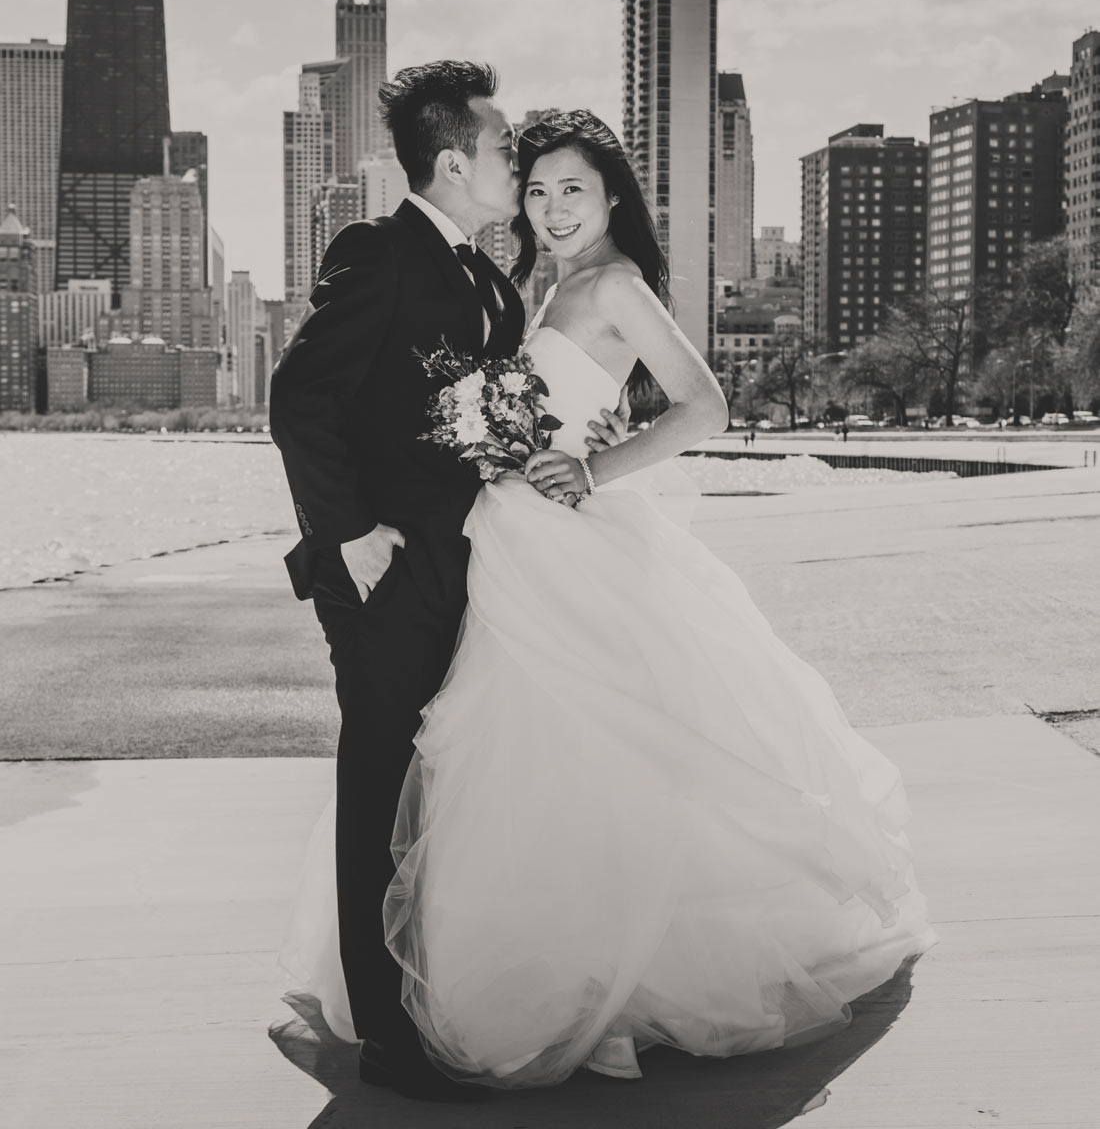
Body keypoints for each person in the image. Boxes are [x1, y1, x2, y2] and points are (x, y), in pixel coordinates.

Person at [285, 109, 935, 1091]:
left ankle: (607, 975)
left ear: (612, 197)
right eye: (536, 189)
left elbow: (701, 404)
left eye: (572, 190)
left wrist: (594, 469)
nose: (549, 208)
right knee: (496, 756)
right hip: (500, 543)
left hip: (564, 544)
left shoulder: (616, 282)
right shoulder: (531, 287)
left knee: (581, 750)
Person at [269, 61, 531, 1104]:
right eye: (506, 148)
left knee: (438, 787)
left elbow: (483, 414)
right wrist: (353, 538)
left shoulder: (491, 277)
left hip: (467, 563)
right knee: (377, 786)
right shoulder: (377, 251)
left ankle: (432, 988)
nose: (516, 162)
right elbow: (299, 399)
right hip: (380, 574)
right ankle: (386, 1035)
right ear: (456, 159)